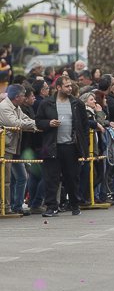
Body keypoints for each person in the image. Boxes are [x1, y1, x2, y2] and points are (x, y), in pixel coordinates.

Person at [35, 77, 88, 216]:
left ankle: (75, 204)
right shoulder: (47, 103)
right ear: (58, 87)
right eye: (66, 86)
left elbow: (84, 125)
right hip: (52, 146)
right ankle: (52, 207)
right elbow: (38, 121)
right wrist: (48, 123)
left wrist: (84, 144)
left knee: (72, 177)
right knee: (51, 178)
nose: (70, 88)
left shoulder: (77, 103)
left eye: (70, 86)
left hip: (71, 146)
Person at [0, 84, 36, 215]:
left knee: (21, 177)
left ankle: (16, 206)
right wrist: (34, 124)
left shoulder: (16, 107)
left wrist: (34, 123)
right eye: (23, 95)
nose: (25, 98)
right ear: (17, 97)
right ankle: (6, 207)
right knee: (6, 179)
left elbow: (25, 119)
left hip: (14, 147)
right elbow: (15, 123)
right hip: (5, 147)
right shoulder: (4, 108)